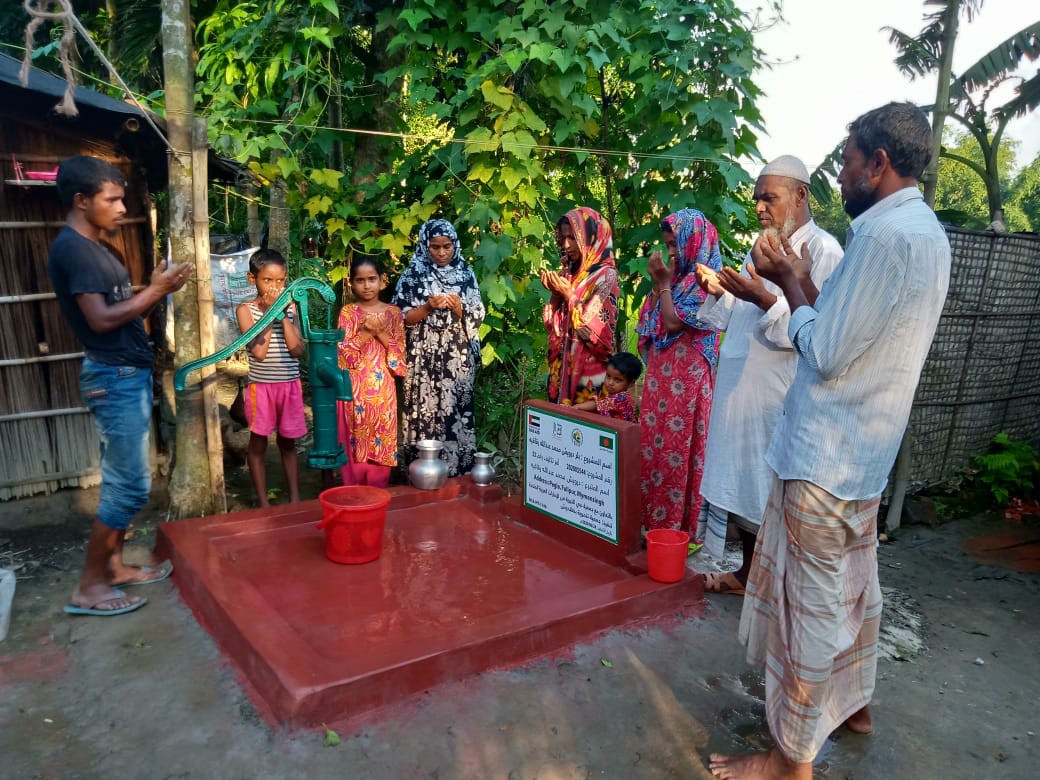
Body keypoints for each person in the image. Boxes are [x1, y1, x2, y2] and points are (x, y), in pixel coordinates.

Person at [709, 103, 952, 780]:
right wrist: (795, 286)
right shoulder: (923, 231)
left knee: (810, 607)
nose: (839, 174)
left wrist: (782, 285)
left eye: (846, 161)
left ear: (878, 162)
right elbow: (843, 321)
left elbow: (826, 348)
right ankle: (856, 707)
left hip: (825, 458)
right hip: (861, 456)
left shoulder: (879, 239)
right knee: (855, 590)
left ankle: (790, 759)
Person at [692, 156, 844, 595]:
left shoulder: (824, 251)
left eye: (769, 197)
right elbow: (734, 311)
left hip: (779, 393)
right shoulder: (761, 245)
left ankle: (778, 586)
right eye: (757, 198)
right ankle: (747, 576)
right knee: (742, 485)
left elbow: (821, 329)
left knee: (765, 488)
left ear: (800, 196)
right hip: (741, 386)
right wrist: (722, 290)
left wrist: (762, 298)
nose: (759, 206)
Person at [48, 155, 190, 616]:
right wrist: (157, 291)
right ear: (81, 200)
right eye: (112, 199)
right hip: (113, 376)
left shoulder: (101, 250)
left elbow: (125, 316)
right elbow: (102, 320)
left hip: (124, 372)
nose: (122, 206)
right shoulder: (73, 250)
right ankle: (89, 588)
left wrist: (150, 291)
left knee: (125, 482)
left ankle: (114, 567)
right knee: (128, 488)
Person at [636, 208, 721, 535]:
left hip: (687, 385)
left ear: (694, 241)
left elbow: (672, 322)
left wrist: (663, 283)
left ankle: (674, 530)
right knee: (654, 449)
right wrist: (662, 286)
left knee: (679, 452)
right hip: (662, 380)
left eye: (676, 244)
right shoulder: (676, 279)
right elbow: (648, 322)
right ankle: (651, 524)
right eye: (668, 245)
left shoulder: (706, 279)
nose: (672, 251)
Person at [392, 219, 484, 476]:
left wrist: (458, 308)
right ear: (425, 246)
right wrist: (427, 307)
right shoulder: (413, 274)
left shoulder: (465, 274)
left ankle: (455, 472)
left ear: (455, 244)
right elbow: (399, 318)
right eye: (435, 247)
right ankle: (422, 473)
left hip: (456, 358)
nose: (442, 253)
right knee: (423, 413)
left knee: (455, 411)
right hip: (422, 356)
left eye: (447, 246)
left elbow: (478, 314)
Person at [235, 249, 306, 507]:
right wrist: (268, 314)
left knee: (288, 443)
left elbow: (297, 350)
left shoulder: (291, 307)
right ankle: (264, 503)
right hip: (262, 388)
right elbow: (260, 353)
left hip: (289, 385)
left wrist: (283, 316)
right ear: (252, 279)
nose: (275, 287)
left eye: (280, 281)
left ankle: (296, 499)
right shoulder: (245, 310)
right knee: (258, 443)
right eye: (268, 280)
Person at [540, 207, 619, 406]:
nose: (566, 245)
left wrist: (569, 296)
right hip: (560, 375)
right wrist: (556, 295)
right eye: (563, 237)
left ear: (592, 238)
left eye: (573, 238)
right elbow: (552, 327)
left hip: (588, 378)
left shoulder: (606, 276)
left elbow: (597, 337)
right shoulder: (568, 272)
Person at [339, 256, 407, 487]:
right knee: (356, 440)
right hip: (355, 393)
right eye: (360, 280)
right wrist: (366, 332)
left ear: (383, 281)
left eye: (372, 279)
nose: (366, 285)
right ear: (351, 283)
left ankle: (378, 495)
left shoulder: (394, 313)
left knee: (381, 440)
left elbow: (400, 359)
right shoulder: (347, 313)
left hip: (383, 396)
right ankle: (354, 494)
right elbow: (343, 356)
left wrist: (381, 334)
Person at [572, 351, 641, 422]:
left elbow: (596, 404)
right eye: (608, 376)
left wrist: (576, 407)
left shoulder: (622, 398)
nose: (610, 383)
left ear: (631, 383)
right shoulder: (613, 395)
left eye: (618, 380)